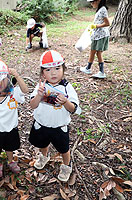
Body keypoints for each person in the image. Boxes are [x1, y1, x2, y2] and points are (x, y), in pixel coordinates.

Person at [29, 50, 81, 182]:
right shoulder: (41, 87)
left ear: (64, 69)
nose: (53, 73)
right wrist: (39, 96)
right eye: (48, 69)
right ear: (42, 73)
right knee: (42, 143)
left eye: (57, 68)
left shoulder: (67, 88)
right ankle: (44, 156)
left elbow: (73, 108)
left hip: (59, 126)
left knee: (64, 148)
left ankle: (66, 165)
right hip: (41, 124)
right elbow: (32, 105)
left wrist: (65, 102)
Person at [80, 0, 110, 78]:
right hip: (96, 34)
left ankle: (101, 72)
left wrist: (96, 26)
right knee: (92, 51)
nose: (91, 4)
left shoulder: (103, 9)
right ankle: (88, 68)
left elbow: (107, 23)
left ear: (99, 0)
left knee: (98, 53)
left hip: (101, 35)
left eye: (93, 2)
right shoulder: (99, 9)